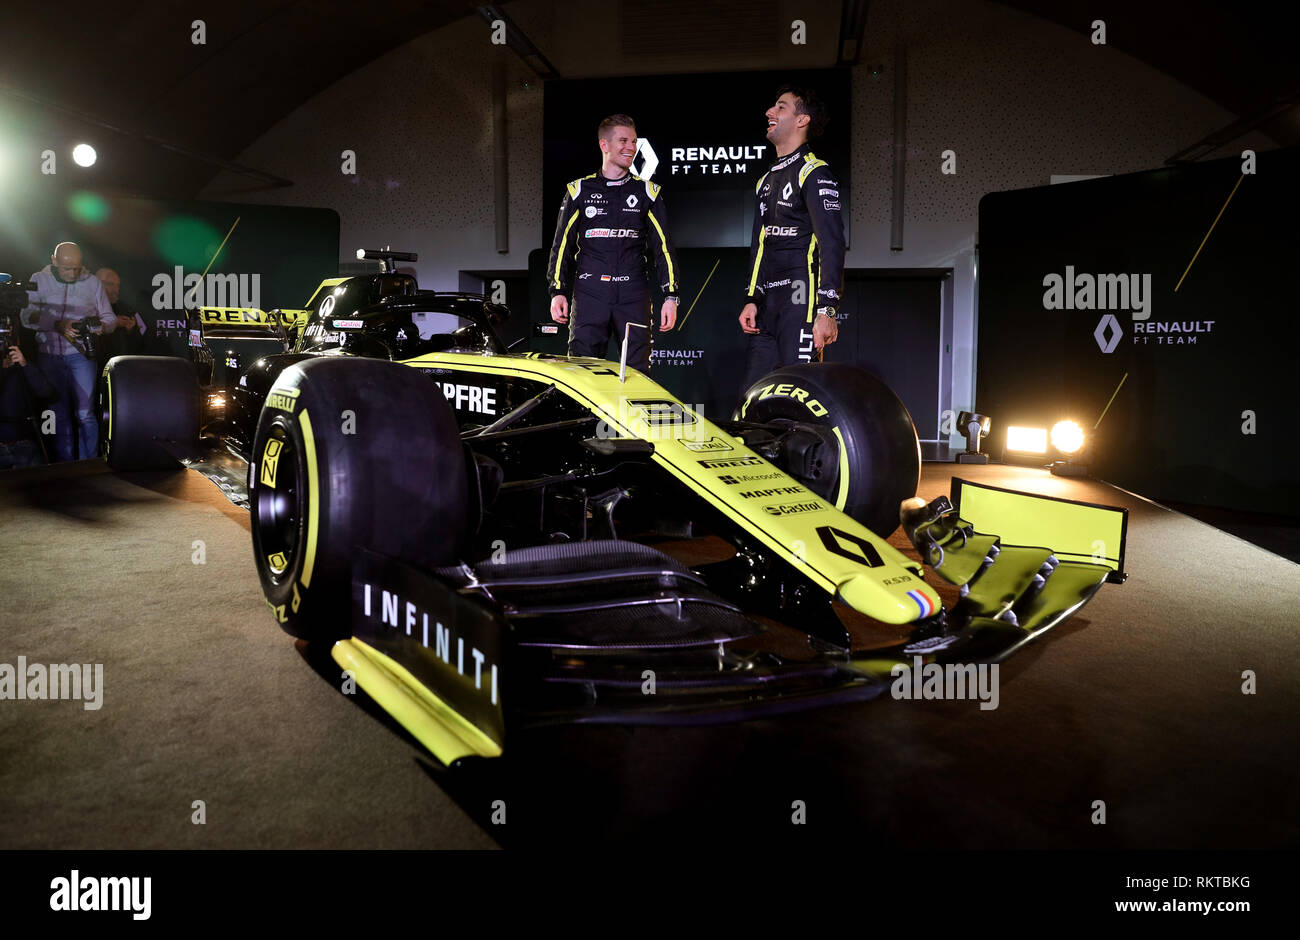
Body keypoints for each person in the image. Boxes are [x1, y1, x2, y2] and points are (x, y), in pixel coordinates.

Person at [547, 114, 680, 372]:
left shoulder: (648, 193)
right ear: (604, 145)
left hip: (633, 294)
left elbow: (663, 248)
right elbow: (561, 245)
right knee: (582, 371)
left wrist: (671, 296)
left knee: (637, 373)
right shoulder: (578, 191)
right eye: (623, 141)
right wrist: (557, 291)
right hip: (589, 294)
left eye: (633, 141)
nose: (630, 147)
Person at [738, 85, 846, 390]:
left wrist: (826, 311)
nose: (769, 112)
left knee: (798, 395)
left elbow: (832, 243)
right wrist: (752, 299)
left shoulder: (815, 173)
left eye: (781, 107)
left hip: (801, 302)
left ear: (802, 120)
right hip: (767, 306)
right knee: (752, 398)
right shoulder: (764, 181)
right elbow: (759, 246)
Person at [19, 242, 116, 461]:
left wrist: (96, 327)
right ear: (54, 261)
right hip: (49, 355)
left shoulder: (93, 283)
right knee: (59, 415)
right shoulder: (39, 280)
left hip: (82, 356)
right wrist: (58, 324)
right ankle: (64, 467)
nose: (72, 273)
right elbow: (27, 317)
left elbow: (110, 319)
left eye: (77, 268)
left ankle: (89, 465)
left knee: (85, 414)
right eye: (66, 268)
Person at [0, 344, 54, 469]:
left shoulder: (20, 367)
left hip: (23, 445)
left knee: (38, 478)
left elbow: (46, 392)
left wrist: (25, 364)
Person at [93, 267, 148, 360]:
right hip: (93, 365)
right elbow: (81, 329)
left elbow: (140, 345)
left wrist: (131, 330)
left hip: (119, 367)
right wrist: (112, 323)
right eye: (110, 284)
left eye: (118, 286)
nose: (116, 290)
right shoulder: (83, 304)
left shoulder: (125, 309)